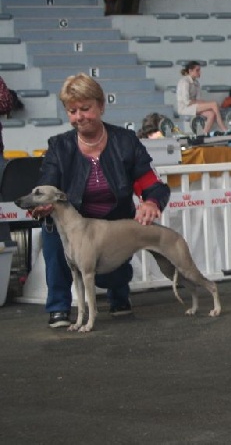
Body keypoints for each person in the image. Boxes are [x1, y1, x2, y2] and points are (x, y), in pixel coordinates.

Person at [26, 74, 171, 328]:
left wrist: (151, 203)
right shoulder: (59, 147)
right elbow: (48, 185)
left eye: (85, 108)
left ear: (101, 106)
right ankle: (59, 307)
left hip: (112, 225)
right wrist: (42, 205)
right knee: (53, 237)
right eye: (72, 111)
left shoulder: (125, 142)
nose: (79, 116)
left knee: (113, 274)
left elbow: (152, 185)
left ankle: (118, 292)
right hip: (75, 226)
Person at [175, 61, 227, 135]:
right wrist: (206, 104)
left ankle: (204, 134)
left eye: (199, 70)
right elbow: (186, 102)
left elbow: (198, 99)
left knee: (211, 114)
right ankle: (223, 128)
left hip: (193, 106)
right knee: (214, 104)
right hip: (184, 108)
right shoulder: (184, 82)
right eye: (197, 70)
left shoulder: (196, 83)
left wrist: (205, 104)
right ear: (190, 71)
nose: (199, 72)